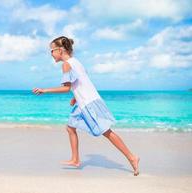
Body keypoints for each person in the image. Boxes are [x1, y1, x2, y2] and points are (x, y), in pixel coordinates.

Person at [32, 36, 140, 176]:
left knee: (107, 132)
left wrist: (44, 90)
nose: (51, 54)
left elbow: (66, 87)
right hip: (83, 102)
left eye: (52, 50)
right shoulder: (76, 62)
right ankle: (75, 159)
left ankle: (132, 157)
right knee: (70, 127)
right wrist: (75, 97)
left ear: (60, 50)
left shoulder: (66, 64)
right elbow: (81, 82)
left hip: (88, 103)